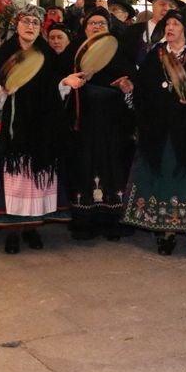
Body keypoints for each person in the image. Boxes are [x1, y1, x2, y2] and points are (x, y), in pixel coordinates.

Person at [123, 10, 186, 255]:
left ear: (184, 29)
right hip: (160, 129)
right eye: (167, 24)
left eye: (175, 24)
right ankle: (167, 234)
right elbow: (142, 90)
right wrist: (130, 90)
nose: (170, 27)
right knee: (166, 179)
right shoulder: (154, 56)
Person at [0, 5, 74, 253]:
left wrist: (65, 83)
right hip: (13, 128)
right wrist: (3, 91)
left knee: (34, 180)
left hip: (40, 125)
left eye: (35, 23)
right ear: (17, 24)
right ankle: (12, 231)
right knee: (14, 179)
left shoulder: (46, 53)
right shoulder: (6, 51)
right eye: (26, 21)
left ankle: (32, 227)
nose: (30, 26)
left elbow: (53, 84)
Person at [63, 12, 137, 241]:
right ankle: (84, 221)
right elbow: (60, 82)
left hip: (114, 124)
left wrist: (127, 87)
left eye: (101, 23)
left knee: (113, 167)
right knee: (84, 166)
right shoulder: (73, 52)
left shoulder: (120, 51)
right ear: (84, 28)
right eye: (92, 23)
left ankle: (112, 219)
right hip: (82, 123)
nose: (96, 26)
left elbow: (132, 84)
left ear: (109, 27)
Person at [124, 0, 185, 65]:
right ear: (153, 6)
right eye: (162, 4)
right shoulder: (133, 31)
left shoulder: (183, 35)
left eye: (171, 6)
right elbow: (123, 60)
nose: (166, 8)